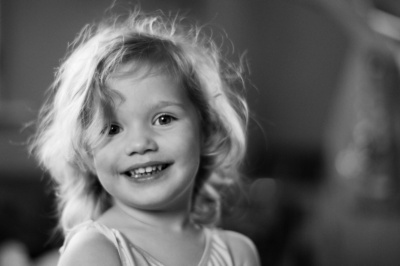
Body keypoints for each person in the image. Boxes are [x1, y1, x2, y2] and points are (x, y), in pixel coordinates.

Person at [29, 8, 260, 266]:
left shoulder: (238, 252)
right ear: (87, 153)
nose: (140, 144)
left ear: (206, 130)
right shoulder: (94, 252)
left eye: (163, 119)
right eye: (113, 129)